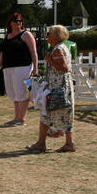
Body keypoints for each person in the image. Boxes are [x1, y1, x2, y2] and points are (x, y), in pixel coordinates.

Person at [27, 25, 76, 153]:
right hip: (61, 86)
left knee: (47, 113)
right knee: (60, 115)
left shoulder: (57, 50)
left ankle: (43, 143)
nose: (47, 35)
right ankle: (64, 143)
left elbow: (65, 68)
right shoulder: (60, 47)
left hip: (58, 87)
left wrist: (50, 61)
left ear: (55, 36)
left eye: (49, 33)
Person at [0, 12, 39, 126]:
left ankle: (21, 119)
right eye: (16, 21)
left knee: (21, 93)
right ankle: (16, 118)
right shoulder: (7, 36)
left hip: (22, 67)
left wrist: (36, 68)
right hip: (8, 67)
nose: (18, 23)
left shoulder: (26, 35)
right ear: (10, 23)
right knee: (13, 94)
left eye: (20, 21)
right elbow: (3, 51)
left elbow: (33, 52)